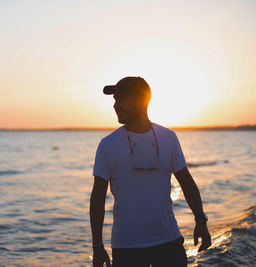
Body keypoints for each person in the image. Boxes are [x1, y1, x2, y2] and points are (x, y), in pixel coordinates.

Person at [89, 77, 211, 267]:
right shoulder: (108, 145)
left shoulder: (168, 138)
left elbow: (186, 182)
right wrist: (97, 245)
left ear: (141, 100)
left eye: (121, 99)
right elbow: (97, 196)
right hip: (127, 247)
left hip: (169, 241)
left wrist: (201, 220)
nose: (115, 105)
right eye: (115, 99)